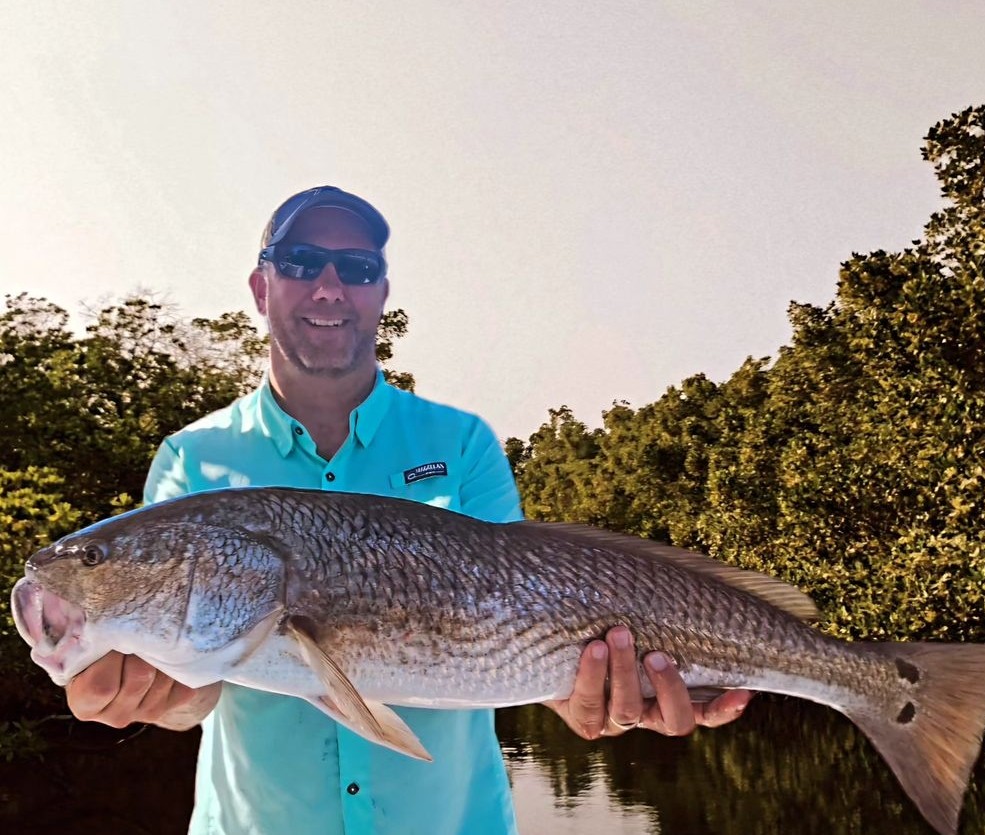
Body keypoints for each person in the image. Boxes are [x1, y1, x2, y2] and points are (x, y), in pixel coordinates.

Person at [64, 186, 752, 834]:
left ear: (380, 295)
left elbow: (521, 628)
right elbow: (198, 688)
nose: (329, 286)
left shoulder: (463, 444)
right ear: (260, 286)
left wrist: (589, 701)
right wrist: (151, 696)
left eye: (356, 268)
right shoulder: (192, 461)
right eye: (301, 261)